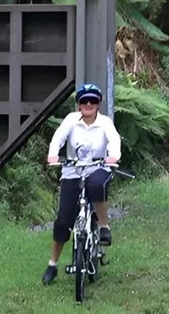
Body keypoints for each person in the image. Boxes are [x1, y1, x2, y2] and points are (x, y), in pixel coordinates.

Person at [41, 83, 122, 285]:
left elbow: (114, 141)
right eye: (84, 100)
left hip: (98, 168)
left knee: (97, 185)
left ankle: (103, 226)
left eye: (92, 100)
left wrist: (113, 156)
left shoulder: (105, 123)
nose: (88, 104)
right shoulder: (71, 121)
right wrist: (53, 155)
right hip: (73, 171)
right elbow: (58, 138)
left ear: (98, 103)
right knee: (63, 220)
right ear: (78, 104)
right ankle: (52, 264)